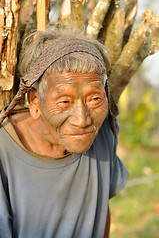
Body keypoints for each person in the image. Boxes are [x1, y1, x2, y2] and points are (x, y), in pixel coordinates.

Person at [0, 28, 129, 238]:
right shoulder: (3, 150)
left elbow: (101, 207)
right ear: (34, 101)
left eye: (95, 99)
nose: (82, 120)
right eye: (64, 102)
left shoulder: (104, 130)